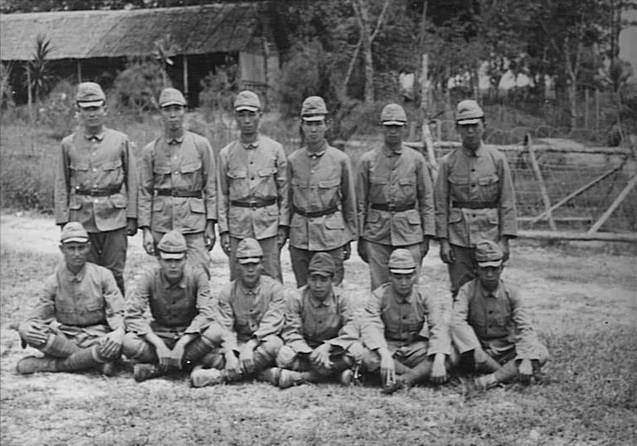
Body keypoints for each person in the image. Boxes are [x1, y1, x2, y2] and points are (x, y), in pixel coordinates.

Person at [54, 82, 137, 295]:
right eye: (86, 108)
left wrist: (133, 216)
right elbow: (61, 182)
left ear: (105, 109)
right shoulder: (68, 144)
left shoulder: (120, 141)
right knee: (85, 271)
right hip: (81, 218)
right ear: (77, 111)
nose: (91, 113)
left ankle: (118, 317)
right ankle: (90, 318)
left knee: (114, 272)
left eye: (96, 108)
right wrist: (64, 221)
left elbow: (133, 181)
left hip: (114, 216)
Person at [16, 222, 125, 375]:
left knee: (119, 343)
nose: (76, 253)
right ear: (62, 249)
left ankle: (50, 365)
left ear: (88, 247)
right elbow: (37, 316)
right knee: (31, 333)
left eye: (81, 248)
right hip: (66, 337)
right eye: (71, 248)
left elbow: (117, 311)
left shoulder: (103, 275)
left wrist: (119, 332)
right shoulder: (52, 282)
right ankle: (93, 361)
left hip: (96, 336)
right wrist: (24, 328)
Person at [435, 99, 517, 298]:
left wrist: (505, 240)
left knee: (489, 288)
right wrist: (444, 241)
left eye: (474, 125)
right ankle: (461, 328)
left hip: (490, 234)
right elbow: (440, 204)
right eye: (464, 127)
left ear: (484, 126)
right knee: (460, 290)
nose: (470, 131)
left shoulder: (497, 159)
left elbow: (507, 201)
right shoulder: (448, 162)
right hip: (458, 238)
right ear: (457, 129)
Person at [138, 87, 217, 277]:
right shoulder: (151, 150)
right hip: (162, 223)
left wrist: (210, 224)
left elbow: (211, 187)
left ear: (184, 111)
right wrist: (146, 231)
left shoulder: (201, 145)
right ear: (160, 114)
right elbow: (145, 192)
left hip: (193, 224)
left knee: (200, 274)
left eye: (177, 109)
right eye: (167, 109)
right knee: (167, 278)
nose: (173, 115)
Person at [121, 230, 219, 382]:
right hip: (161, 333)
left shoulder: (198, 276)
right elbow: (133, 315)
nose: (173, 265)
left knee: (215, 332)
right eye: (167, 261)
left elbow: (207, 313)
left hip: (190, 335)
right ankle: (188, 363)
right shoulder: (148, 277)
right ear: (159, 260)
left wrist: (183, 342)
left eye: (178, 260)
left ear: (186, 259)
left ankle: (159, 368)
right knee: (128, 342)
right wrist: (158, 344)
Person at [356, 103, 435, 290]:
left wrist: (427, 235)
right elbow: (359, 202)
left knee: (409, 289)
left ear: (404, 128)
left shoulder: (416, 160)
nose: (393, 131)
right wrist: (360, 237)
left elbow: (427, 200)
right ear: (381, 127)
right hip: (377, 234)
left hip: (409, 233)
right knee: (379, 289)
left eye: (397, 127)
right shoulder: (368, 161)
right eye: (388, 126)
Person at [451, 240, 549, 389]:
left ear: (502, 268)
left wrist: (526, 358)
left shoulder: (512, 292)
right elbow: (457, 322)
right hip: (477, 349)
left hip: (505, 349)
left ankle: (492, 379)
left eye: (494, 269)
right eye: (485, 269)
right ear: (477, 269)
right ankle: (509, 374)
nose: (489, 274)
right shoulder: (467, 290)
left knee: (541, 352)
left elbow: (524, 327)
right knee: (451, 353)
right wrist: (475, 348)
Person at [189, 238, 286, 387]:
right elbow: (225, 327)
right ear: (237, 266)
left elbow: (272, 323)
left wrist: (250, 346)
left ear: (262, 264)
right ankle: (262, 374)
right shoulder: (227, 291)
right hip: (237, 344)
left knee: (276, 345)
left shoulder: (275, 289)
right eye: (245, 265)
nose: (250, 269)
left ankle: (221, 376)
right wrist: (230, 354)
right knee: (206, 351)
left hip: (261, 343)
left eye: (254, 264)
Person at [217, 90, 289, 281]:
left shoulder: (275, 150)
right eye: (242, 114)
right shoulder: (226, 154)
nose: (247, 120)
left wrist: (283, 225)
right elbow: (222, 195)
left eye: (251, 114)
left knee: (271, 277)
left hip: (268, 226)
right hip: (238, 226)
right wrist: (224, 231)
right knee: (239, 278)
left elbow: (285, 192)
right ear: (235, 118)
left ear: (260, 116)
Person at [360, 249, 454, 394]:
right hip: (390, 348)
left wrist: (440, 358)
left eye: (408, 276)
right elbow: (371, 326)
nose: (403, 282)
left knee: (451, 352)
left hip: (415, 348)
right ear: (390, 275)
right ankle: (419, 376)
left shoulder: (425, 295)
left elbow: (438, 326)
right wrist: (385, 355)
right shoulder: (379, 295)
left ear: (415, 275)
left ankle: (403, 379)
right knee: (367, 356)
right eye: (398, 277)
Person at [287, 96, 357, 287]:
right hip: (300, 238)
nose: (314, 129)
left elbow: (350, 202)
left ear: (327, 124)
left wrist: (348, 237)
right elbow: (287, 202)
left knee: (332, 292)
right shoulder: (293, 161)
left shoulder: (340, 160)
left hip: (330, 238)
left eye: (318, 123)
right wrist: (284, 232)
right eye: (309, 124)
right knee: (303, 290)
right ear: (302, 125)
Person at [274, 253, 364, 388]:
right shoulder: (297, 297)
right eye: (313, 279)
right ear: (308, 279)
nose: (318, 285)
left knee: (358, 351)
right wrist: (311, 354)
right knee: (284, 355)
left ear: (332, 280)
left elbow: (351, 329)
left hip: (333, 350)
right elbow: (292, 332)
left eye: (323, 280)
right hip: (306, 350)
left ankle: (302, 377)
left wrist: (328, 347)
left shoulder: (343, 298)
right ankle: (336, 374)